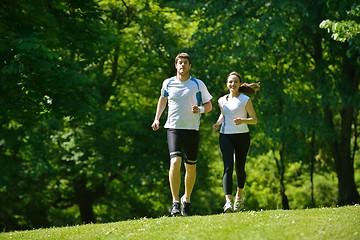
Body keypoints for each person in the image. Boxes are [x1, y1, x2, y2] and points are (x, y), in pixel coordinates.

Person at [151, 53, 213, 216]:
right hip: (173, 128)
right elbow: (162, 99)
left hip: (192, 129)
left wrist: (199, 110)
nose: (182, 65)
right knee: (175, 161)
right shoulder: (168, 83)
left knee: (190, 167)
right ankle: (175, 202)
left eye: (185, 63)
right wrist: (157, 119)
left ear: (189, 66)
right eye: (180, 63)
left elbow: (209, 105)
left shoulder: (198, 84)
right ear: (176, 65)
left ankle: (187, 200)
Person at [212, 71, 260, 213]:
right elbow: (223, 114)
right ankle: (228, 202)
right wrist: (217, 124)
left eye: (235, 82)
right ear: (227, 84)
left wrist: (242, 120)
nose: (232, 84)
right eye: (230, 82)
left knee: (240, 167)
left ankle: (239, 196)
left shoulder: (245, 100)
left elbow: (254, 120)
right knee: (228, 167)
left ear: (240, 84)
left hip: (242, 136)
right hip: (225, 136)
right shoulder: (222, 100)